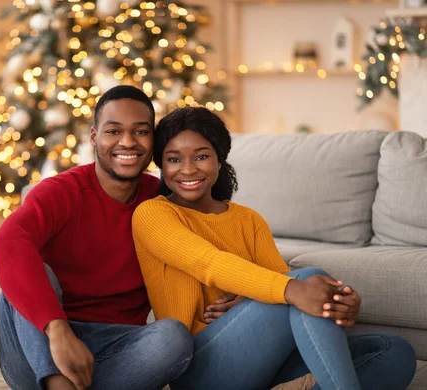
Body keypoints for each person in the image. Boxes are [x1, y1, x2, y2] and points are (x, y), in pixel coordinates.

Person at [132, 106, 417, 390]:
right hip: (199, 367)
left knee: (391, 349)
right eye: (173, 159)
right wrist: (287, 291)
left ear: (220, 159)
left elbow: (286, 291)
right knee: (303, 281)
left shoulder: (248, 219)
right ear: (161, 166)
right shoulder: (152, 214)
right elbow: (209, 263)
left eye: (202, 156)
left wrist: (340, 304)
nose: (188, 169)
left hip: (264, 361)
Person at [0, 86, 233, 390]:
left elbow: (214, 251)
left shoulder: (163, 200)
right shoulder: (59, 192)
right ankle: (56, 382)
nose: (128, 142)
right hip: (39, 349)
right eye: (114, 131)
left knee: (173, 336)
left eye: (141, 131)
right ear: (95, 137)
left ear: (153, 141)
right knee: (30, 272)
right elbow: (7, 244)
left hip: (118, 348)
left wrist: (241, 294)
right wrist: (58, 330)